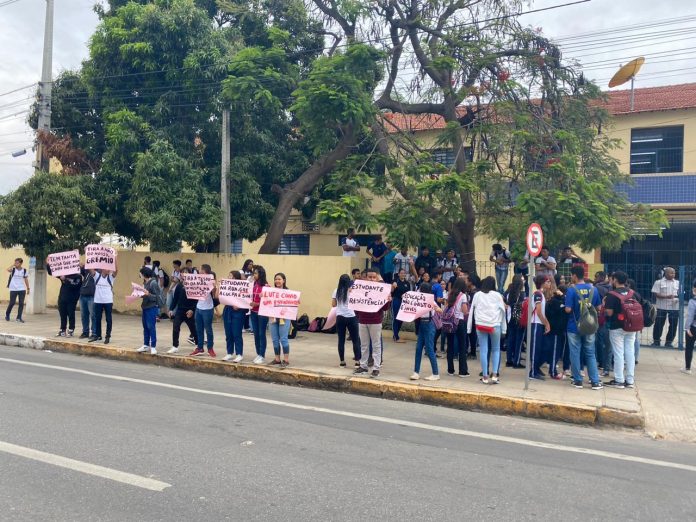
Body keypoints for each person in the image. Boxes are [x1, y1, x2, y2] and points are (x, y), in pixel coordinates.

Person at [565, 265, 603, 390]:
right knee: (591, 353)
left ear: (575, 276)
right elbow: (598, 308)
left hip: (574, 326)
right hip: (590, 325)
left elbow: (568, 309)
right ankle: (595, 381)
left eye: (571, 275)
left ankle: (578, 380)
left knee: (575, 353)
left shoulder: (571, 290)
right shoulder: (594, 289)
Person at [603, 270, 640, 389]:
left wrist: (604, 306)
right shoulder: (633, 293)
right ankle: (630, 380)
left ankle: (619, 380)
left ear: (615, 280)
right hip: (632, 326)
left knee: (618, 352)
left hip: (617, 327)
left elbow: (609, 312)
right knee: (630, 352)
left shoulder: (612, 294)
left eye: (612, 279)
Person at [467, 276, 506, 384]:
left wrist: (469, 327)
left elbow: (471, 311)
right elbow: (503, 312)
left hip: (480, 325)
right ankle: (494, 375)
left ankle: (484, 376)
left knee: (483, 350)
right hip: (495, 325)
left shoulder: (477, 295)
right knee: (496, 349)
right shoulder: (498, 295)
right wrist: (504, 328)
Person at [353, 268, 391, 378]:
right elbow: (355, 306)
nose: (372, 279)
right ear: (365, 278)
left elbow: (384, 308)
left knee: (376, 345)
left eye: (374, 277)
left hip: (375, 321)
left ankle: (376, 368)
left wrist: (388, 300)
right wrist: (352, 295)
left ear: (377, 278)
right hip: (363, 320)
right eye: (369, 277)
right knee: (364, 345)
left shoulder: (381, 291)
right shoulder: (359, 289)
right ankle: (363, 366)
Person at [409, 282, 441, 381]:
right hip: (423, 324)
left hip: (429, 324)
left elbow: (440, 310)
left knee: (429, 349)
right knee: (419, 348)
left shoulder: (430, 300)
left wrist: (436, 308)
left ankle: (435, 373)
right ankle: (416, 372)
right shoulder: (422, 299)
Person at [46, 257, 83, 337]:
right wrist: (48, 264)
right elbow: (52, 272)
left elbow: (75, 285)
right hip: (62, 297)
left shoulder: (78, 276)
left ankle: (71, 330)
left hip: (72, 299)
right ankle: (62, 330)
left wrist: (65, 279)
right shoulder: (64, 273)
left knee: (71, 314)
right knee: (62, 314)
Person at [333, 274, 361, 367]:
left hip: (340, 317)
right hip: (351, 317)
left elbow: (333, 304)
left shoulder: (336, 291)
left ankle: (342, 362)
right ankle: (357, 361)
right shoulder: (352, 291)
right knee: (355, 340)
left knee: (341, 340)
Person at [190, 264, 217, 358]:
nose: (198, 271)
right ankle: (200, 347)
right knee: (199, 329)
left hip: (208, 308)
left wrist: (214, 287)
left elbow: (214, 294)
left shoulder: (211, 279)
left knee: (208, 329)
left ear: (204, 271)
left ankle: (210, 348)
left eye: (200, 270)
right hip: (199, 307)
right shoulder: (197, 279)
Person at [166, 273, 197, 354]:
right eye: (183, 274)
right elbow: (175, 298)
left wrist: (192, 310)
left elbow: (196, 300)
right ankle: (175, 346)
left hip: (189, 311)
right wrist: (171, 309)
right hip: (180, 311)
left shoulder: (193, 285)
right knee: (175, 327)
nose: (184, 275)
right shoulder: (179, 286)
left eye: (186, 273)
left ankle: (198, 345)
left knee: (193, 329)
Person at [528, 275, 551, 380]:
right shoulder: (538, 294)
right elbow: (538, 311)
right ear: (542, 283)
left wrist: (546, 323)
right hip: (536, 323)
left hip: (539, 323)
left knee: (542, 348)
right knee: (535, 348)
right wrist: (546, 323)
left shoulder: (541, 294)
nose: (549, 284)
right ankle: (533, 371)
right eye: (548, 281)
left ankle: (536, 368)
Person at [445, 278, 469, 377]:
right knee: (462, 346)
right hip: (459, 322)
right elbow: (464, 311)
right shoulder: (463, 296)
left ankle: (450, 370)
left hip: (450, 322)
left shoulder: (449, 294)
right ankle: (462, 371)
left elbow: (446, 307)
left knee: (450, 345)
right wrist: (468, 311)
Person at [220, 270, 246, 363]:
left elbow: (246, 300)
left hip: (238, 312)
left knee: (236, 333)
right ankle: (229, 352)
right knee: (228, 333)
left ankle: (239, 354)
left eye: (230, 276)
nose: (228, 277)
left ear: (235, 277)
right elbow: (220, 297)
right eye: (228, 275)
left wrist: (239, 304)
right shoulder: (227, 286)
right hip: (228, 310)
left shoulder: (242, 287)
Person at [543, 277, 566, 380]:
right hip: (556, 330)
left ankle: (551, 369)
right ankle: (553, 371)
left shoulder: (551, 301)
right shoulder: (556, 303)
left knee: (552, 350)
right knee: (555, 350)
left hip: (554, 329)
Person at [651, 267, 680, 347]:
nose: (673, 274)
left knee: (673, 325)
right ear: (666, 273)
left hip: (674, 307)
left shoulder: (678, 283)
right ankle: (656, 341)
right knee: (658, 324)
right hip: (661, 306)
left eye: (674, 273)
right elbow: (656, 294)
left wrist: (678, 298)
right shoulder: (658, 282)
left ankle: (669, 342)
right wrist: (667, 296)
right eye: (671, 273)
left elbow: (681, 293)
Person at [90, 262, 117, 344]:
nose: (108, 270)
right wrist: (87, 253)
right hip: (98, 301)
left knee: (108, 319)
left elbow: (117, 270)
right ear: (102, 269)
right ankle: (98, 335)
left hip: (108, 301)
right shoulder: (97, 276)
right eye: (106, 268)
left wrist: (116, 257)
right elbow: (90, 268)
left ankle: (108, 336)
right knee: (97, 319)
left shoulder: (111, 277)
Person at [269, 273, 293, 367]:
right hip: (272, 317)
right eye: (276, 279)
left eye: (279, 279)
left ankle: (286, 360)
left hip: (284, 318)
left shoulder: (288, 292)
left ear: (284, 280)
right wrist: (262, 295)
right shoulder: (270, 291)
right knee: (275, 339)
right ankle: (277, 359)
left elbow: (293, 304)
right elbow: (266, 302)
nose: (277, 281)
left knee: (283, 339)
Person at [136, 267, 160, 355]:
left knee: (151, 327)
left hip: (151, 308)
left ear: (144, 274)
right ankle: (146, 345)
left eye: (140, 273)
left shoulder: (153, 283)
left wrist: (147, 294)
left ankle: (153, 346)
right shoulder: (145, 282)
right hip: (145, 307)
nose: (140, 275)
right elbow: (145, 294)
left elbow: (157, 297)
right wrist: (139, 293)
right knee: (145, 327)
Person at [504, 274, 526, 369]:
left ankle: (509, 360)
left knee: (510, 339)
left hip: (510, 318)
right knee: (519, 341)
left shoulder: (509, 292)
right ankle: (516, 361)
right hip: (519, 319)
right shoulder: (521, 294)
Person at [594, 271, 613, 375]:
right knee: (609, 345)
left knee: (598, 341)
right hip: (610, 319)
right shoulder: (611, 288)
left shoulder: (596, 287)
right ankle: (607, 365)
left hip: (599, 316)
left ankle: (600, 361)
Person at [250, 265, 270, 364]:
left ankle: (262, 355)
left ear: (261, 274)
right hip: (253, 313)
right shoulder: (252, 284)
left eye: (256, 273)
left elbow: (268, 301)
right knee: (256, 334)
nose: (254, 275)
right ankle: (258, 353)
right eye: (253, 273)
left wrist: (257, 304)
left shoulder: (266, 286)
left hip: (262, 314)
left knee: (262, 334)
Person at [5, 258, 29, 323]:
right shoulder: (13, 269)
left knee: (21, 303)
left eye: (17, 263)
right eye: (15, 262)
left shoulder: (24, 270)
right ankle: (7, 314)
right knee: (12, 303)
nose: (16, 264)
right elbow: (7, 269)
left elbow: (26, 280)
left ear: (21, 263)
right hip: (13, 289)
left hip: (22, 289)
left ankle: (19, 318)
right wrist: (13, 265)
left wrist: (28, 288)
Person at [391, 269, 410, 343]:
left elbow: (408, 293)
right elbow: (391, 291)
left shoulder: (407, 283)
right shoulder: (395, 281)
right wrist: (393, 286)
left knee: (401, 318)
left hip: (404, 302)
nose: (403, 274)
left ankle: (395, 335)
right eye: (401, 273)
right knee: (395, 318)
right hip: (396, 300)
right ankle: (396, 337)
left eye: (404, 273)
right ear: (398, 274)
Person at [78, 266, 96, 339]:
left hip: (92, 297)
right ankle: (85, 332)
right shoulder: (86, 271)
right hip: (83, 296)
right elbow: (79, 270)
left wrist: (89, 266)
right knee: (84, 315)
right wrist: (80, 265)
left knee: (93, 315)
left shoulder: (98, 271)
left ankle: (94, 333)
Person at [682, 280, 696, 375]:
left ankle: (688, 368)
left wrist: (687, 328)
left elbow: (690, 316)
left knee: (689, 347)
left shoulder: (693, 301)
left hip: (693, 327)